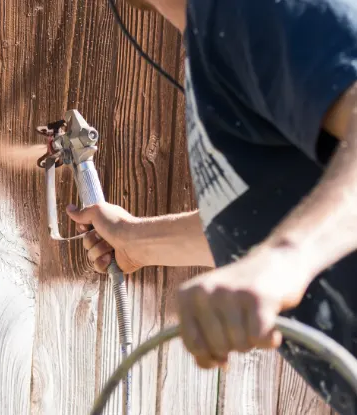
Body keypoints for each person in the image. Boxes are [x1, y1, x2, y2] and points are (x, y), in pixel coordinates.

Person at [68, 0, 357, 412]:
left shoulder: (248, 10)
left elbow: (279, 255)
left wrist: (283, 261)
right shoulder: (214, 42)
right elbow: (277, 217)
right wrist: (138, 242)